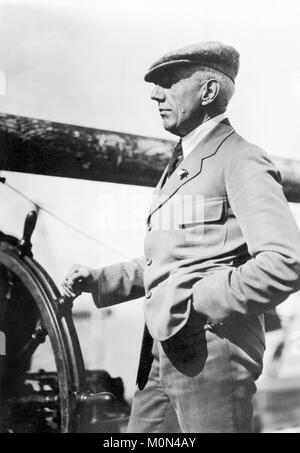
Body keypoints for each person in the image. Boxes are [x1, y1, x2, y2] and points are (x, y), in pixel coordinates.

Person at [62, 41, 300, 433]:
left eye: (169, 82)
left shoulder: (241, 159)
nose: (155, 94)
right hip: (159, 355)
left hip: (211, 356)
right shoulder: (180, 164)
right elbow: (174, 260)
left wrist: (200, 300)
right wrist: (100, 280)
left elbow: (285, 263)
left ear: (207, 92)